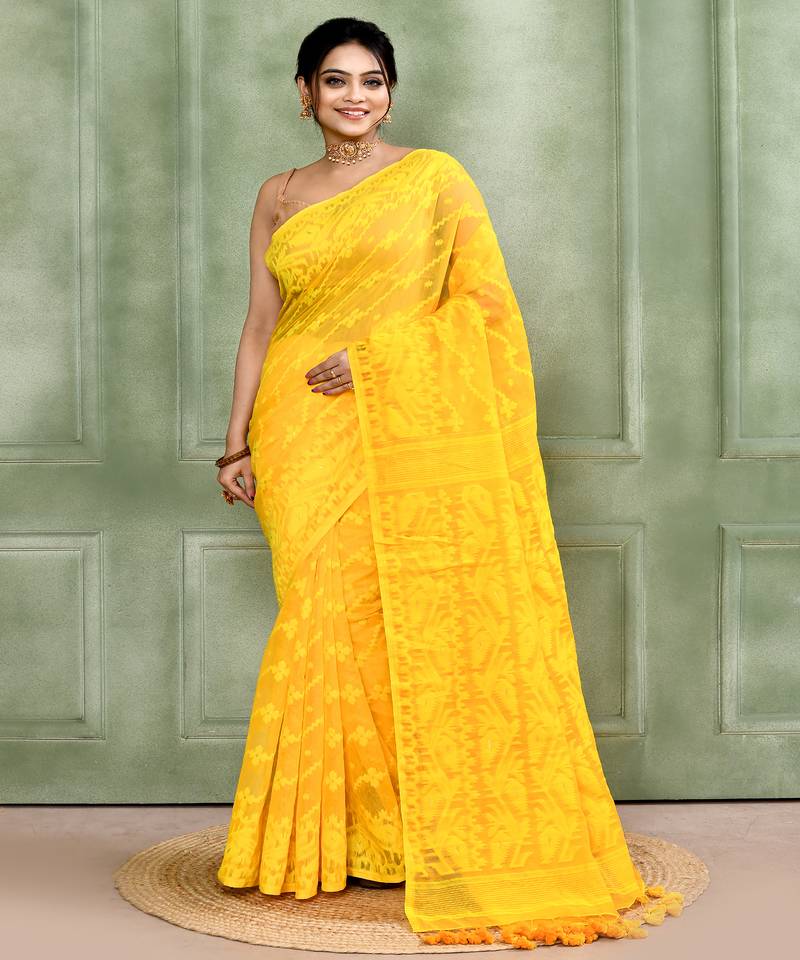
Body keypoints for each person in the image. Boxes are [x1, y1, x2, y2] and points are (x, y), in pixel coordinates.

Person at [214, 16, 684, 950]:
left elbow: (485, 310)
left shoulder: (434, 179)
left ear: (391, 92)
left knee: (386, 621)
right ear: (304, 92)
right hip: (297, 428)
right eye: (336, 80)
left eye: (372, 80)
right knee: (318, 612)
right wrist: (236, 445)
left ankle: (404, 836)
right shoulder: (277, 194)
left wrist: (377, 361)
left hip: (395, 421)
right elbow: (261, 325)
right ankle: (327, 839)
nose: (356, 96)